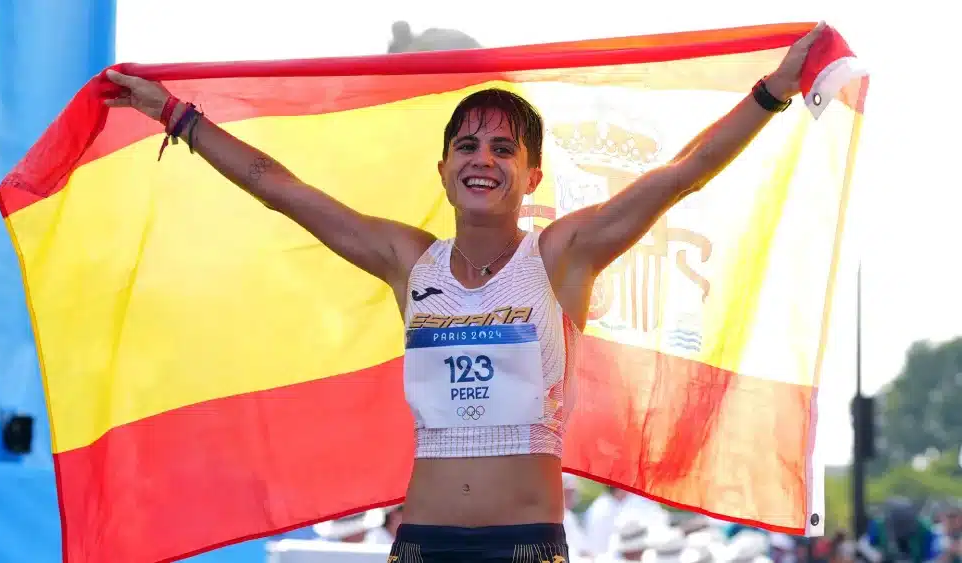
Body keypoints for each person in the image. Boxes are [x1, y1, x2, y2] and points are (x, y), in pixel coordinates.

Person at [103, 21, 825, 563]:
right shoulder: (406, 260)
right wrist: (176, 115)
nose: (484, 159)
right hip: (420, 541)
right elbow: (278, 189)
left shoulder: (562, 257)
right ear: (443, 169)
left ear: (532, 177)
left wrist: (773, 91)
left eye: (504, 148)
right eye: (469, 147)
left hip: (527, 544)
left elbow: (682, 172)